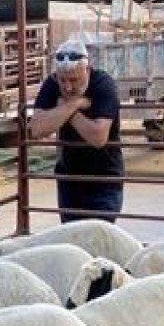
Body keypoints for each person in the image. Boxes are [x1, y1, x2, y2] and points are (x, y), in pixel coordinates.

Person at [28, 39, 125, 222]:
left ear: (87, 70)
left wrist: (65, 109)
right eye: (62, 80)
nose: (68, 87)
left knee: (97, 235)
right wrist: (76, 104)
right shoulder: (52, 83)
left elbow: (98, 137)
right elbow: (37, 128)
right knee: (72, 236)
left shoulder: (103, 84)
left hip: (103, 180)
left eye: (74, 80)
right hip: (69, 180)